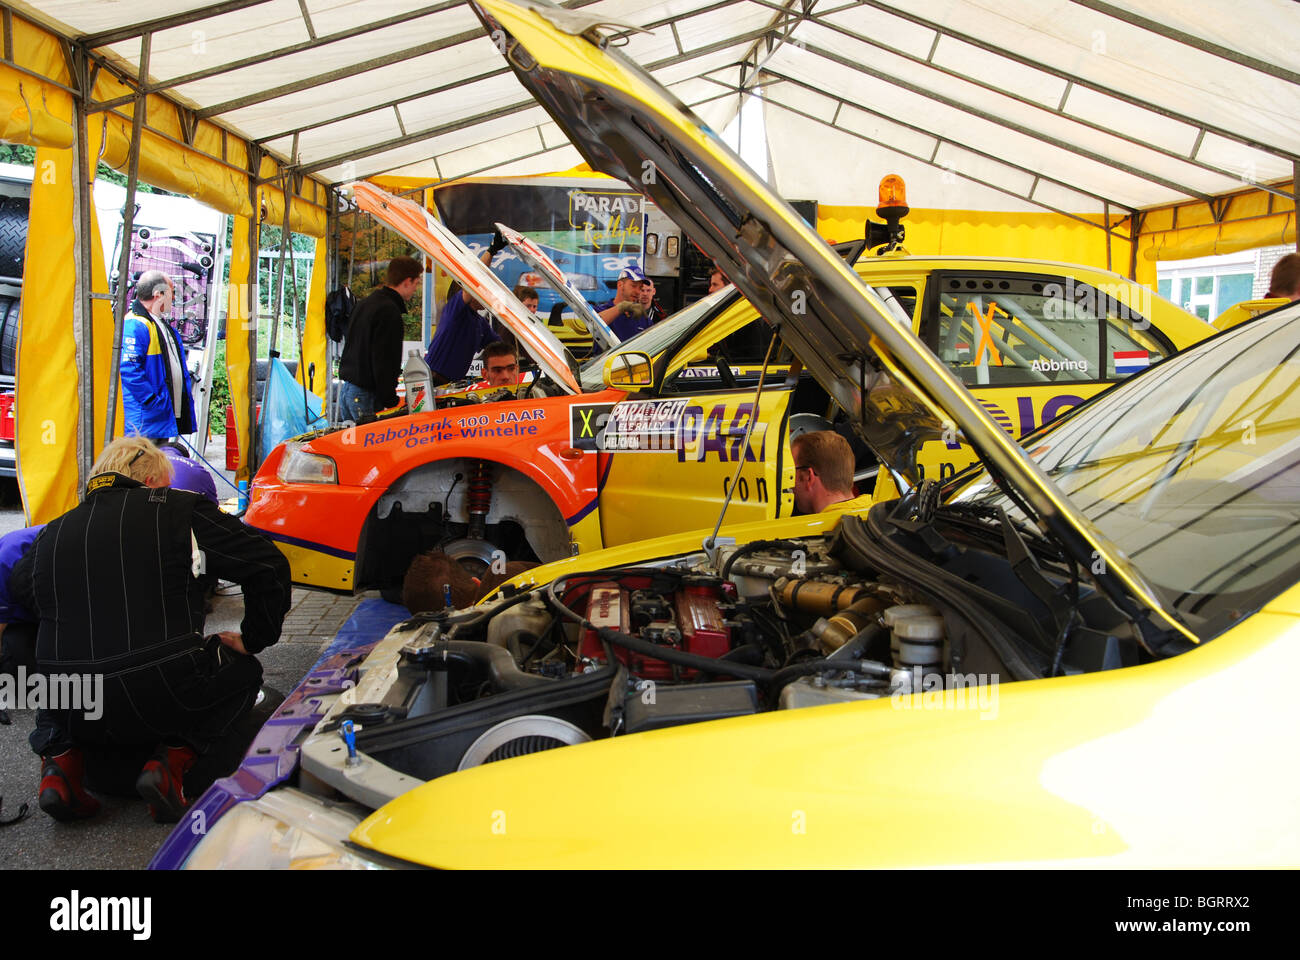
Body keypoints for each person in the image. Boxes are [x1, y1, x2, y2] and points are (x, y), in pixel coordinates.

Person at [13, 436, 292, 824]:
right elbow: (267, 564)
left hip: (74, 704)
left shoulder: (50, 534)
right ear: (152, 482)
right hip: (165, 693)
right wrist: (254, 637)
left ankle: (60, 764)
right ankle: (172, 762)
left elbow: (22, 596)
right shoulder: (180, 509)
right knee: (245, 670)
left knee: (53, 673)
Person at [338, 256, 424, 423]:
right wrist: (390, 399)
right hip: (365, 395)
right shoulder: (389, 311)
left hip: (348, 391)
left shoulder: (366, 303)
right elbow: (384, 359)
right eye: (416, 283)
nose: (416, 288)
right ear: (407, 281)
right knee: (370, 447)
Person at [121, 271, 197, 442]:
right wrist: (153, 402)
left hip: (158, 418)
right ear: (158, 295)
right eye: (172, 292)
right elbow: (129, 370)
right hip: (146, 422)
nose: (174, 298)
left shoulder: (157, 323)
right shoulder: (135, 324)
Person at [425, 234, 509, 385]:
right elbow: (473, 278)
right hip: (432, 381)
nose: (487, 295)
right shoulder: (455, 311)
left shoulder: (479, 322)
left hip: (451, 383)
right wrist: (491, 251)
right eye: (483, 291)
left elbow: (499, 347)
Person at [791, 430, 857, 514]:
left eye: (792, 473)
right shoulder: (873, 517)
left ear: (808, 477)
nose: (790, 484)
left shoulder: (824, 527)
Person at [597, 265, 653, 340]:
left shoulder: (643, 318)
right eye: (633, 285)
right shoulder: (601, 310)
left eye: (640, 288)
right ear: (620, 285)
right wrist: (622, 307)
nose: (638, 292)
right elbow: (593, 324)